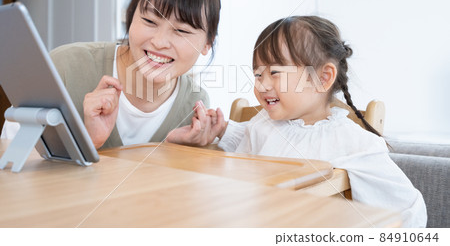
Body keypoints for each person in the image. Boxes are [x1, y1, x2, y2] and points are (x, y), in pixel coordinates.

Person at [166, 15, 427, 227]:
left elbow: (409, 209)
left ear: (323, 78)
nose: (262, 84)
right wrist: (221, 129)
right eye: (257, 74)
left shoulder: (355, 142)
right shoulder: (264, 123)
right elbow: (247, 139)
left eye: (275, 72)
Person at [1, 0, 221, 149]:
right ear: (131, 18)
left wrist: (179, 152)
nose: (160, 42)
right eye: (150, 22)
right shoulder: (64, 67)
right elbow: (10, 159)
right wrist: (85, 142)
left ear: (207, 44)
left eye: (181, 31)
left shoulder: (195, 104)